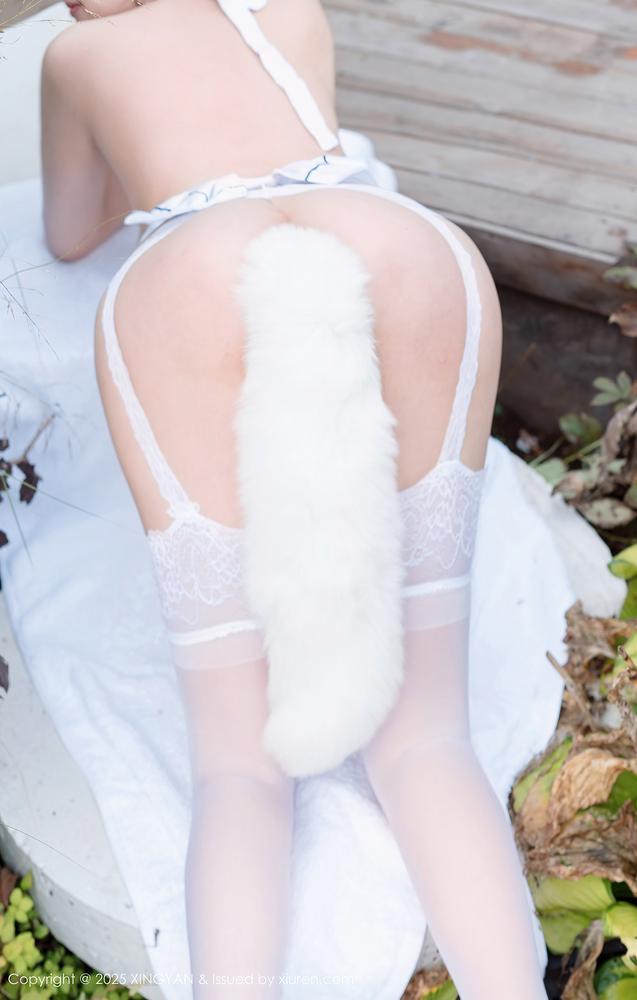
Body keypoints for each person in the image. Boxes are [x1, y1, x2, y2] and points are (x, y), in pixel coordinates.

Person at [39, 0, 549, 996]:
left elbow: (67, 233)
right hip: (402, 249)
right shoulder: (287, 5)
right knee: (426, 736)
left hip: (192, 276)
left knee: (239, 766)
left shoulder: (79, 52)